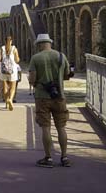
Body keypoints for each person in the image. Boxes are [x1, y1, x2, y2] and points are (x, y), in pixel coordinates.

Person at [27, 33, 73, 168]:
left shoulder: (36, 58)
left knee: (46, 128)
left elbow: (32, 79)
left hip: (42, 97)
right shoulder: (61, 56)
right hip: (59, 96)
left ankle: (48, 158)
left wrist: (33, 82)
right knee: (61, 127)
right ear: (50, 43)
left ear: (40, 44)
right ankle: (64, 157)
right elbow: (66, 75)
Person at [0, 35, 20, 111]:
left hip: (3, 71)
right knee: (12, 87)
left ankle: (6, 103)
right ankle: (10, 99)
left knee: (5, 87)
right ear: (11, 41)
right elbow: (17, 60)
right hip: (12, 71)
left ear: (5, 41)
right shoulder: (14, 49)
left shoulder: (2, 48)